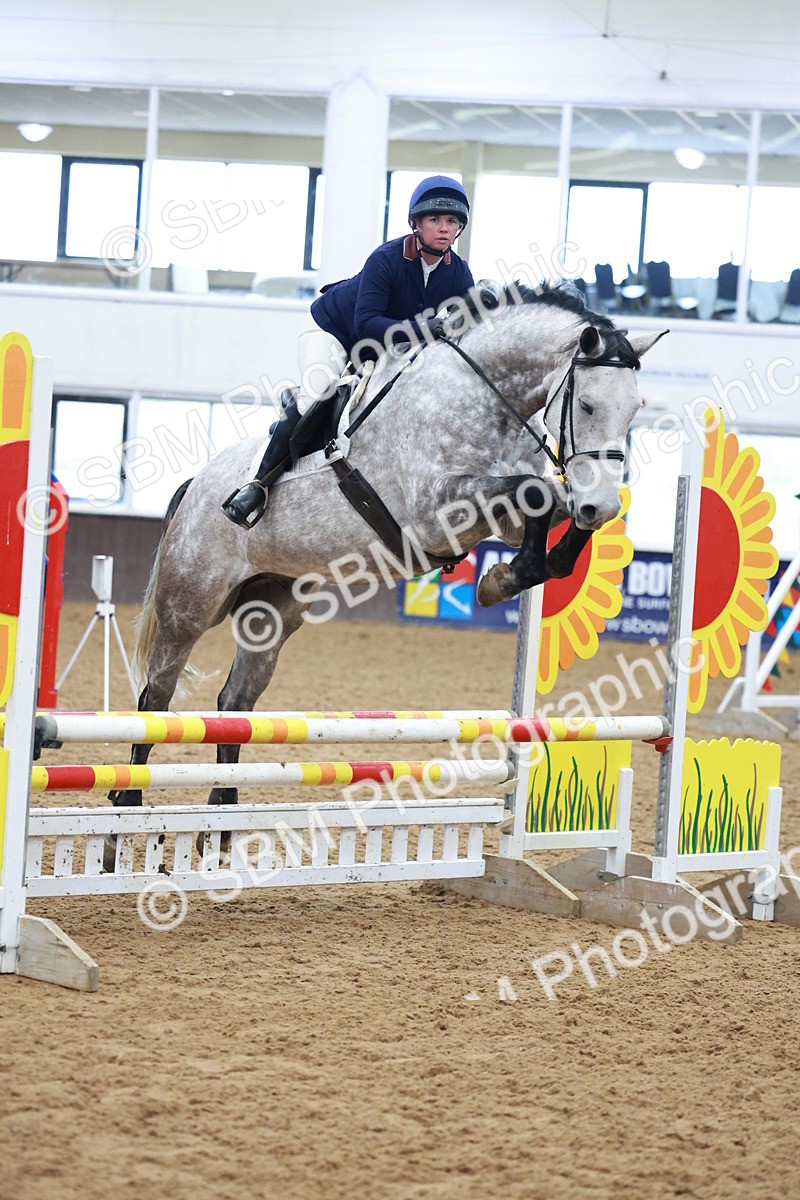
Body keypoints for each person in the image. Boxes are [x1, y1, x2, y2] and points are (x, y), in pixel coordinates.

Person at [222, 175, 474, 528]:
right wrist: (421, 329)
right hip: (334, 333)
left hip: (385, 353)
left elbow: (462, 334)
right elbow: (366, 324)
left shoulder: (460, 274)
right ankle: (256, 484)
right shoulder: (385, 259)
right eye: (434, 220)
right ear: (415, 224)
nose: (444, 229)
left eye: (452, 222)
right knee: (319, 392)